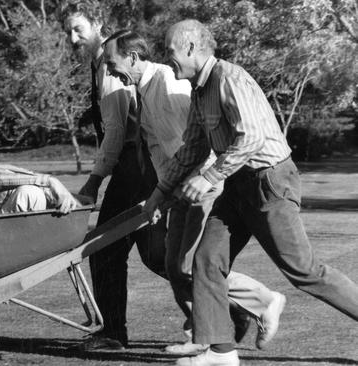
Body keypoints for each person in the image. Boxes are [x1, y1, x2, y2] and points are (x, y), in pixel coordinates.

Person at [143, 19, 358, 366]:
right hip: (239, 185)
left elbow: (252, 138)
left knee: (304, 271)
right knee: (207, 261)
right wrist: (160, 192)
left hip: (269, 182)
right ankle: (221, 353)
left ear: (190, 48)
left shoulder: (230, 78)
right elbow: (193, 148)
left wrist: (209, 176)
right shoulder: (200, 90)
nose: (168, 60)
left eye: (170, 52)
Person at [101, 29, 287, 355]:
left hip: (203, 187)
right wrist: (161, 193)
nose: (110, 70)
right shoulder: (145, 91)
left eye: (112, 62)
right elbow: (168, 152)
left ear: (131, 57)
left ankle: (258, 304)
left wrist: (203, 182)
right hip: (179, 191)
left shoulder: (168, 85)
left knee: (191, 267)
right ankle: (204, 333)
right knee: (174, 267)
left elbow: (198, 145)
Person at [63, 2, 167, 351]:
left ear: (98, 23)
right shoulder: (101, 65)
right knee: (158, 257)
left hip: (135, 172)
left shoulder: (112, 68)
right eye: (68, 31)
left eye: (78, 29)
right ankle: (244, 304)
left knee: (103, 249)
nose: (72, 37)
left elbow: (117, 132)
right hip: (138, 172)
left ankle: (113, 335)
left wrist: (93, 181)